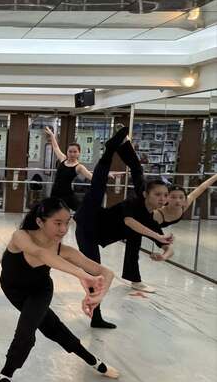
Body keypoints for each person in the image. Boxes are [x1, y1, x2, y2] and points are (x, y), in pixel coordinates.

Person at [0, 198, 119, 382]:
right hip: (12, 289)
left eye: (67, 223)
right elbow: (40, 253)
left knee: (30, 330)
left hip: (40, 290)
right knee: (52, 327)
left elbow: (106, 272)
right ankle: (93, 361)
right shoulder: (21, 236)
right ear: (40, 222)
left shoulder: (64, 250)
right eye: (58, 223)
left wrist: (98, 296)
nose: (63, 229)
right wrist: (82, 275)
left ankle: (6, 373)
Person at [74, 126, 174, 329]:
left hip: (95, 233)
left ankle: (95, 317)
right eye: (158, 194)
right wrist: (158, 236)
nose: (162, 199)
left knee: (97, 276)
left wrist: (164, 255)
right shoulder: (133, 204)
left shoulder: (149, 219)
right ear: (146, 194)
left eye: (165, 195)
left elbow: (167, 245)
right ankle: (110, 150)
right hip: (88, 224)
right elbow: (129, 222)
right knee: (97, 187)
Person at [121, 169, 217, 292]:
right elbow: (140, 220)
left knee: (166, 246)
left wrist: (162, 257)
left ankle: (134, 280)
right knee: (133, 245)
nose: (178, 200)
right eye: (173, 197)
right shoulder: (158, 213)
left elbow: (202, 187)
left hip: (150, 226)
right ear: (166, 198)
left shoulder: (184, 204)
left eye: (181, 197)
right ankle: (135, 280)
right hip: (136, 222)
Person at [44, 126, 93, 211]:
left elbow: (92, 177)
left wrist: (106, 173)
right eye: (70, 151)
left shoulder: (79, 167)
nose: (72, 154)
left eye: (75, 152)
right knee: (54, 213)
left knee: (81, 211)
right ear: (67, 152)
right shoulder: (63, 159)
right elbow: (55, 147)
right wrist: (52, 135)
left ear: (79, 153)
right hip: (55, 193)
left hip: (67, 194)